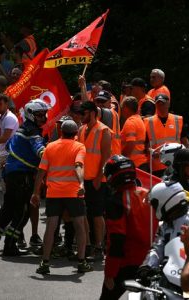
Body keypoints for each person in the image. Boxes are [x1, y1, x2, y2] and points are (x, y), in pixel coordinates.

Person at [0, 99, 49, 256]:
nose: (43, 118)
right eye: (40, 115)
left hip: (11, 174)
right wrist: (53, 151)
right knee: (22, 212)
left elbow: (8, 146)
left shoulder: (22, 129)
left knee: (7, 210)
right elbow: (40, 150)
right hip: (21, 177)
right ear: (30, 115)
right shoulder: (32, 132)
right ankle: (10, 245)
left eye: (44, 114)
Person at [32, 119, 93, 275]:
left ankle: (45, 262)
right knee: (80, 226)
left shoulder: (50, 147)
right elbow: (78, 166)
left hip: (54, 193)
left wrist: (36, 193)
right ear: (75, 134)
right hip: (73, 193)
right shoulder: (79, 146)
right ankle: (81, 261)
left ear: (61, 132)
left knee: (51, 227)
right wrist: (81, 184)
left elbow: (41, 172)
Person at [138, 181, 189, 285]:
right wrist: (147, 266)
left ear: (165, 201)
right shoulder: (164, 226)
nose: (154, 209)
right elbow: (157, 247)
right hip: (172, 277)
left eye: (155, 204)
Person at [101, 155, 155, 299]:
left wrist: (110, 273)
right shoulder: (149, 194)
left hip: (127, 263)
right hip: (153, 260)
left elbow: (116, 239)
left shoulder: (116, 201)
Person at [77, 101, 112, 258]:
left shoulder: (103, 130)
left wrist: (99, 177)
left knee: (97, 215)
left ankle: (99, 246)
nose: (80, 116)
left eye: (83, 113)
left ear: (91, 113)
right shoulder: (81, 129)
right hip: (83, 180)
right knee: (85, 214)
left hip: (97, 180)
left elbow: (105, 158)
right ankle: (89, 244)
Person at [144, 93, 189, 177]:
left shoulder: (178, 120)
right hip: (157, 166)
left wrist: (185, 157)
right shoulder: (147, 122)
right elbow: (146, 145)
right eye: (158, 104)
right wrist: (152, 152)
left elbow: (185, 141)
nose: (160, 107)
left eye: (163, 104)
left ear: (168, 104)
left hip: (176, 163)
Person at [119, 96, 148, 170]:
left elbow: (131, 144)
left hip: (135, 164)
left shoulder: (130, 122)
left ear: (126, 108)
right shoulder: (139, 120)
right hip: (141, 164)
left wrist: (121, 159)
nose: (121, 111)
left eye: (122, 108)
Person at [94, 90, 121, 155]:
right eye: (98, 101)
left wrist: (83, 87)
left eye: (103, 101)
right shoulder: (106, 113)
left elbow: (90, 109)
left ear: (109, 102)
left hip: (111, 155)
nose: (100, 104)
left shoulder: (110, 113)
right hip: (110, 154)